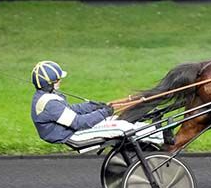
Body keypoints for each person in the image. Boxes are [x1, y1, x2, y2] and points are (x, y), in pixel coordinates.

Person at [30, 61, 164, 146]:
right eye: (58, 80)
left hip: (70, 130)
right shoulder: (50, 104)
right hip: (72, 135)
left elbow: (71, 109)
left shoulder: (47, 96)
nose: (60, 81)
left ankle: (155, 132)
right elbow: (79, 122)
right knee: (122, 126)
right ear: (50, 83)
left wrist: (94, 106)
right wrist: (104, 112)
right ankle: (161, 136)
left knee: (116, 119)